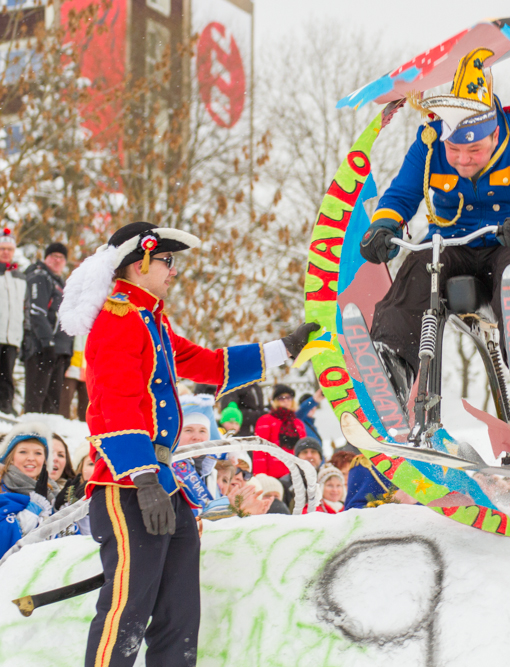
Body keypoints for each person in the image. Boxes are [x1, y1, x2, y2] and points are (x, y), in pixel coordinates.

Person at [56, 221, 318, 667]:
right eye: (168, 260)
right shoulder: (119, 320)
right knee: (127, 613)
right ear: (141, 262)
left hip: (162, 483)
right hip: (127, 485)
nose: (174, 270)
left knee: (179, 616)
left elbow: (207, 363)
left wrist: (282, 349)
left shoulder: (149, 318)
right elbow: (113, 406)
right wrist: (143, 478)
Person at [360, 50, 510, 403]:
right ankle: (391, 360)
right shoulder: (429, 141)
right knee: (423, 265)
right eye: (454, 150)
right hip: (453, 243)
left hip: (509, 238)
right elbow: (402, 194)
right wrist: (383, 225)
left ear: (495, 134)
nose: (462, 160)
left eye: (475, 152)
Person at [22, 242, 72, 414]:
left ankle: (48, 435)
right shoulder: (40, 277)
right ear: (46, 258)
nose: (57, 261)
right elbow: (36, 312)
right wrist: (46, 342)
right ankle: (29, 435)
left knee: (52, 403)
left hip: (59, 350)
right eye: (54, 256)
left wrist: (67, 349)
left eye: (61, 258)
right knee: (36, 400)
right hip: (40, 348)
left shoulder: (61, 283)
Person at [0, 423, 55, 558]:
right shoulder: (2, 491)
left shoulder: (52, 495)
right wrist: (33, 510)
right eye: (23, 452)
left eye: (38, 453)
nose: (31, 458)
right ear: (11, 459)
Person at [253, 384, 307, 479]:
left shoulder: (298, 424)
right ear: (275, 401)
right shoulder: (265, 420)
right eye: (281, 398)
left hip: (295, 476)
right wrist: (261, 477)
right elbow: (260, 450)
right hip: (272, 476)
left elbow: (303, 450)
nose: (285, 401)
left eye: (288, 398)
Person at [0, 228, 25, 415]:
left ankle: (6, 409)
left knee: (7, 376)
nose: (6, 252)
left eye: (9, 248)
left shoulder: (20, 277)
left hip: (12, 336)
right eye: (2, 248)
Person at [60, 333, 89, 421]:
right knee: (66, 398)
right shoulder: (73, 326)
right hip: (71, 367)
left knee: (86, 401)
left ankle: (85, 424)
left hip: (86, 368)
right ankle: (63, 421)